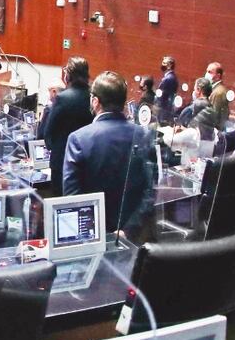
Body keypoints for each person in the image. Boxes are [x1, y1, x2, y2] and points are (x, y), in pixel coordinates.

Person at [62, 71, 154, 234]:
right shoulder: (144, 135)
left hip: (91, 235)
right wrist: (128, 230)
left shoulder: (78, 139)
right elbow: (151, 190)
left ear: (95, 101)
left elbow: (72, 198)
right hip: (133, 237)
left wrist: (94, 231)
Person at [42, 57, 94, 194]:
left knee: (60, 202)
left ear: (68, 75)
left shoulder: (62, 98)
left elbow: (48, 133)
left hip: (62, 161)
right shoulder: (94, 98)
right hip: (87, 162)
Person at [200, 62, 230, 132]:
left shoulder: (218, 93)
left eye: (210, 72)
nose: (207, 74)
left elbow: (213, 116)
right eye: (207, 71)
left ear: (218, 76)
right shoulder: (214, 89)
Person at [156, 56, 179, 124]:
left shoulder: (168, 78)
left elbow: (162, 96)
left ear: (169, 65)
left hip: (164, 110)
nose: (162, 65)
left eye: (164, 63)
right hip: (166, 109)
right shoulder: (171, 77)